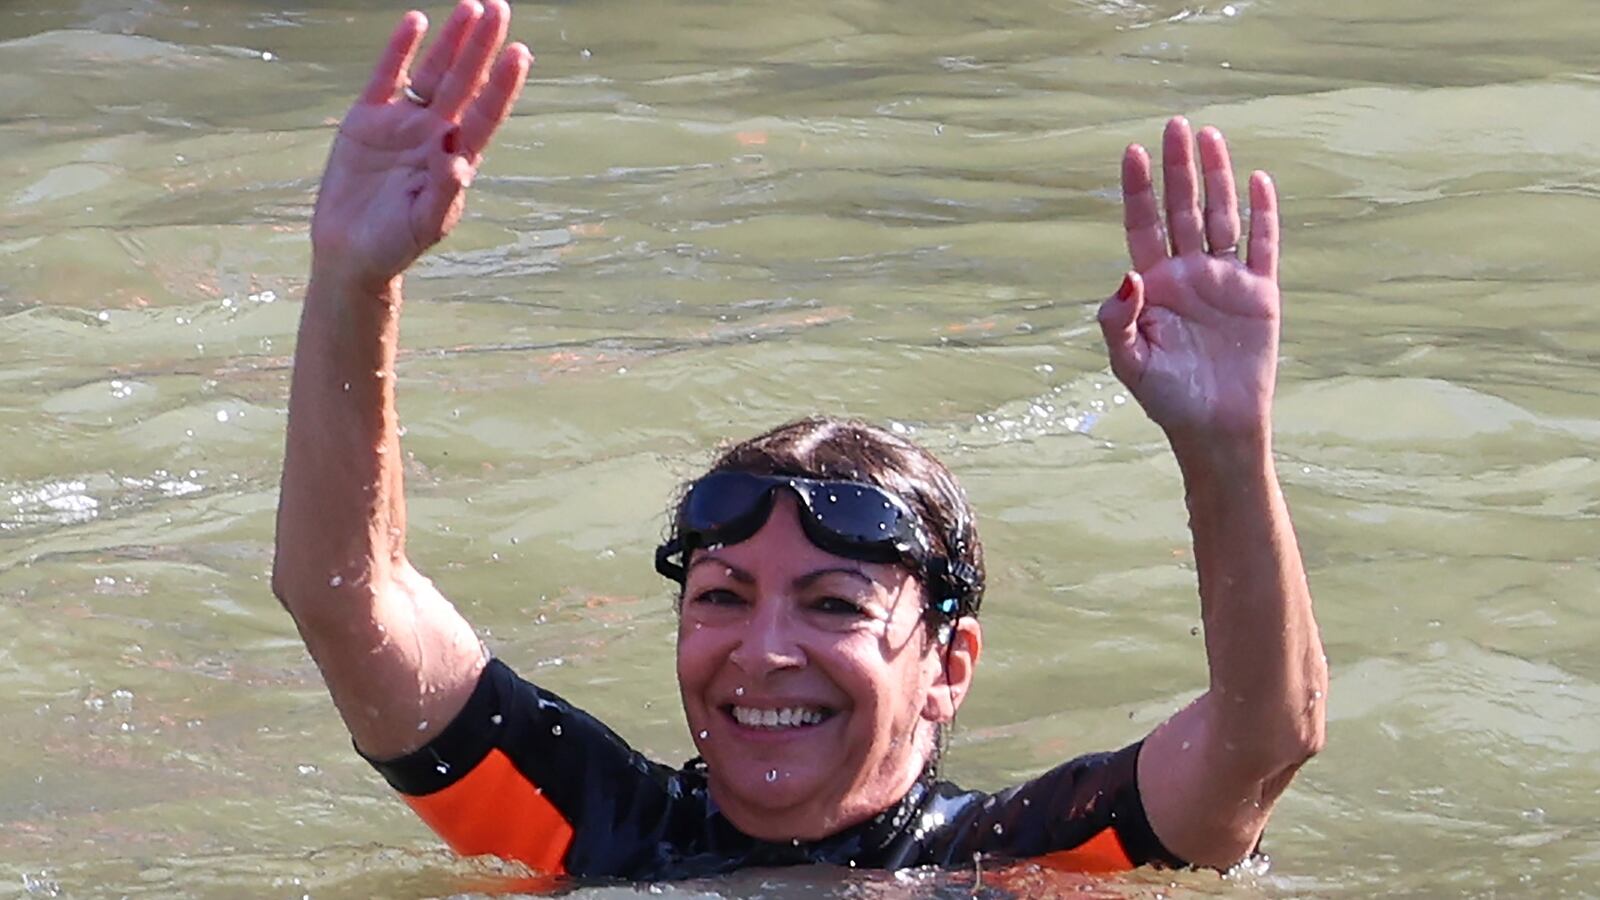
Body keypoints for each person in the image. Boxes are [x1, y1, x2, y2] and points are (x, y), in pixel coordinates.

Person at [272, 0, 1327, 882]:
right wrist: (353, 282)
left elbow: (1262, 736)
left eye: (832, 605)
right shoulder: (594, 828)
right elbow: (343, 597)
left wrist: (1227, 449)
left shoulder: (1021, 858)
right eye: (722, 598)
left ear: (949, 666)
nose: (763, 652)